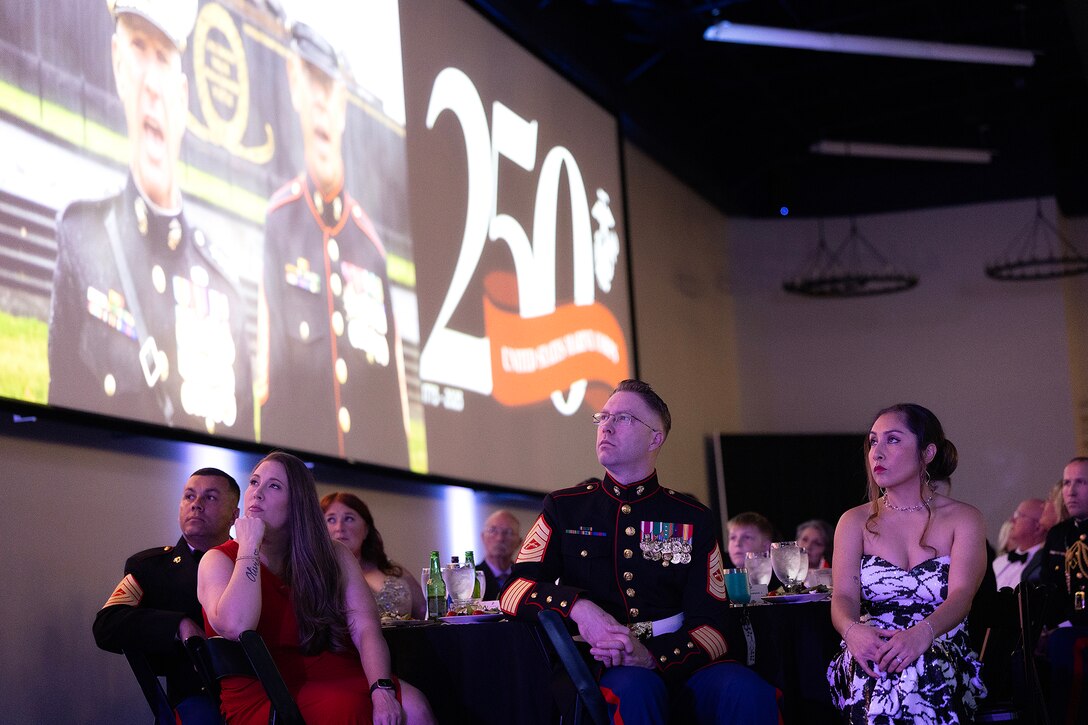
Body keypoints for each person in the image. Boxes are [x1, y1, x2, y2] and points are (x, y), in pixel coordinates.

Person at [501, 379, 778, 724]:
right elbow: (512, 592)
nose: (607, 426)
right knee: (637, 692)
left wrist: (652, 656)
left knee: (750, 693)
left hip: (679, 659)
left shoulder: (692, 517)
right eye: (603, 418)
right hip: (606, 665)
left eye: (624, 418)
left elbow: (715, 626)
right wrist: (579, 608)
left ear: (655, 438)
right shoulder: (565, 507)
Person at [49, 0, 252, 436]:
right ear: (118, 65)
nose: (150, 84)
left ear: (182, 96)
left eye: (162, 57)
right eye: (139, 49)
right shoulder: (81, 239)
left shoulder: (225, 289)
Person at [255, 21, 409, 465]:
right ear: (294, 86)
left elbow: (393, 410)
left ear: (342, 105)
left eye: (330, 87)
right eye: (312, 81)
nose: (321, 102)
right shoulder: (279, 222)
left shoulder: (370, 246)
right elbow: (269, 387)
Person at [198, 451, 434, 724]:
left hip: (332, 668)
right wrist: (249, 545)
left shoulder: (334, 554)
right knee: (346, 708)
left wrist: (381, 689)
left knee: (415, 705)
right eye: (254, 482)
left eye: (273, 486)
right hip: (264, 689)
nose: (257, 493)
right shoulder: (217, 559)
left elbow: (365, 628)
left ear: (297, 505)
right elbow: (237, 625)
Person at [827, 403, 987, 724]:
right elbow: (843, 596)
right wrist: (853, 631)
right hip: (873, 640)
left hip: (940, 641)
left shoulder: (964, 518)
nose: (877, 453)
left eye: (893, 440)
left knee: (922, 667)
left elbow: (961, 597)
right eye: (873, 441)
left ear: (927, 453)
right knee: (871, 667)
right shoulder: (853, 521)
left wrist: (921, 634)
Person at [93, 467, 240, 724]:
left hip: (255, 694)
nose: (196, 505)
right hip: (196, 702)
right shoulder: (152, 568)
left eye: (210, 497)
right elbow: (107, 624)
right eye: (189, 496)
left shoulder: (251, 565)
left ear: (234, 515)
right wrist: (177, 624)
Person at [321, 491, 426, 620]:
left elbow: (426, 613)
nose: (339, 527)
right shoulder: (315, 574)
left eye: (349, 518)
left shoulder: (391, 569)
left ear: (366, 530)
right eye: (331, 519)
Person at [1040, 457, 1088, 626]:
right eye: (1067, 483)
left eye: (1081, 482)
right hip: (1061, 630)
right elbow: (1048, 587)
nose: (1071, 491)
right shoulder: (1058, 534)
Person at [991, 498, 1047, 590]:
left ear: (1038, 527)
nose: (1011, 520)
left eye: (1019, 515)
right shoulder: (999, 562)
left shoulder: (1042, 566)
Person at [477, 509, 522, 600]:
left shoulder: (525, 578)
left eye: (508, 532)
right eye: (493, 530)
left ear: (519, 542)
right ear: (483, 537)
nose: (500, 538)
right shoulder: (472, 579)